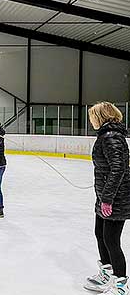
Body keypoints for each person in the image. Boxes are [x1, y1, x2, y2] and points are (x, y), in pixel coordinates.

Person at [84, 102, 130, 295]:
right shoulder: (106, 135)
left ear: (100, 116)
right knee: (100, 234)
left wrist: (108, 199)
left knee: (111, 240)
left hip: (115, 198)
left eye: (92, 116)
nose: (90, 120)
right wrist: (103, 196)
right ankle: (107, 273)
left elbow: (118, 169)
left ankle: (120, 285)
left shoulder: (111, 138)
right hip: (104, 195)